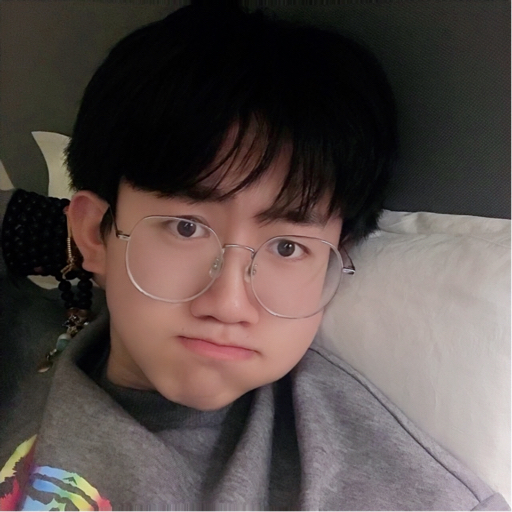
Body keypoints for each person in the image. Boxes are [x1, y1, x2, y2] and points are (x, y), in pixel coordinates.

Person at [0, 4, 508, 510]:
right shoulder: (21, 331)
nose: (228, 303)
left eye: (288, 247)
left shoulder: (388, 493)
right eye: (185, 228)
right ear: (95, 234)